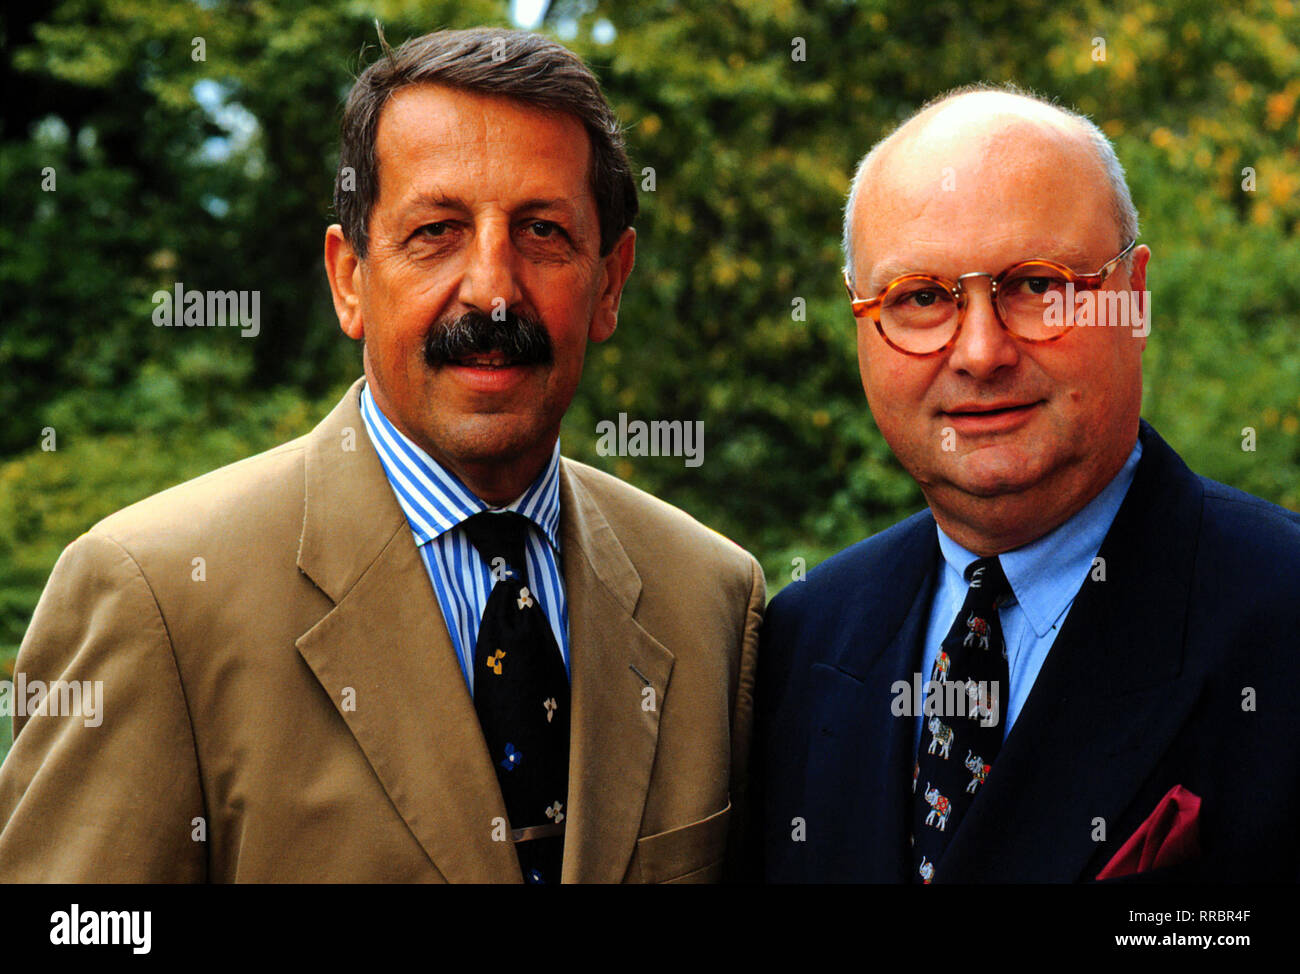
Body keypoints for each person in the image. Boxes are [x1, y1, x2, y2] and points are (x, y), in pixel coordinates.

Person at [0, 27, 763, 884]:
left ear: (611, 281)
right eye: (436, 231)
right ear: (350, 279)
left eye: (543, 231)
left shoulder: (710, 600)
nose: (493, 290)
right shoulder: (156, 599)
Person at [753, 84, 1300, 883]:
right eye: (921, 298)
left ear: (1136, 298)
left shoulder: (1281, 616)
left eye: (1038, 285)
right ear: (862, 324)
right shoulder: (802, 639)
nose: (981, 351)